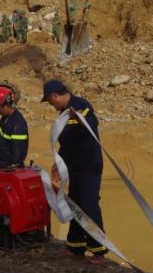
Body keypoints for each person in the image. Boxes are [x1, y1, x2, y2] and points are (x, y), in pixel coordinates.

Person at [41, 80, 107, 258]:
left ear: (54, 96)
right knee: (76, 205)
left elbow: (91, 125)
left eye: (49, 101)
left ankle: (98, 250)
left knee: (89, 205)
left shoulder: (81, 106)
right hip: (74, 167)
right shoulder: (63, 113)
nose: (51, 105)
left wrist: (77, 117)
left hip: (89, 166)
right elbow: (66, 143)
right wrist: (58, 163)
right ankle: (75, 246)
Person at [0, 87, 28, 170]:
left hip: (8, 168)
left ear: (5, 104)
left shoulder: (18, 125)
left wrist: (10, 169)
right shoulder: (4, 119)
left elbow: (18, 153)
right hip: (0, 164)